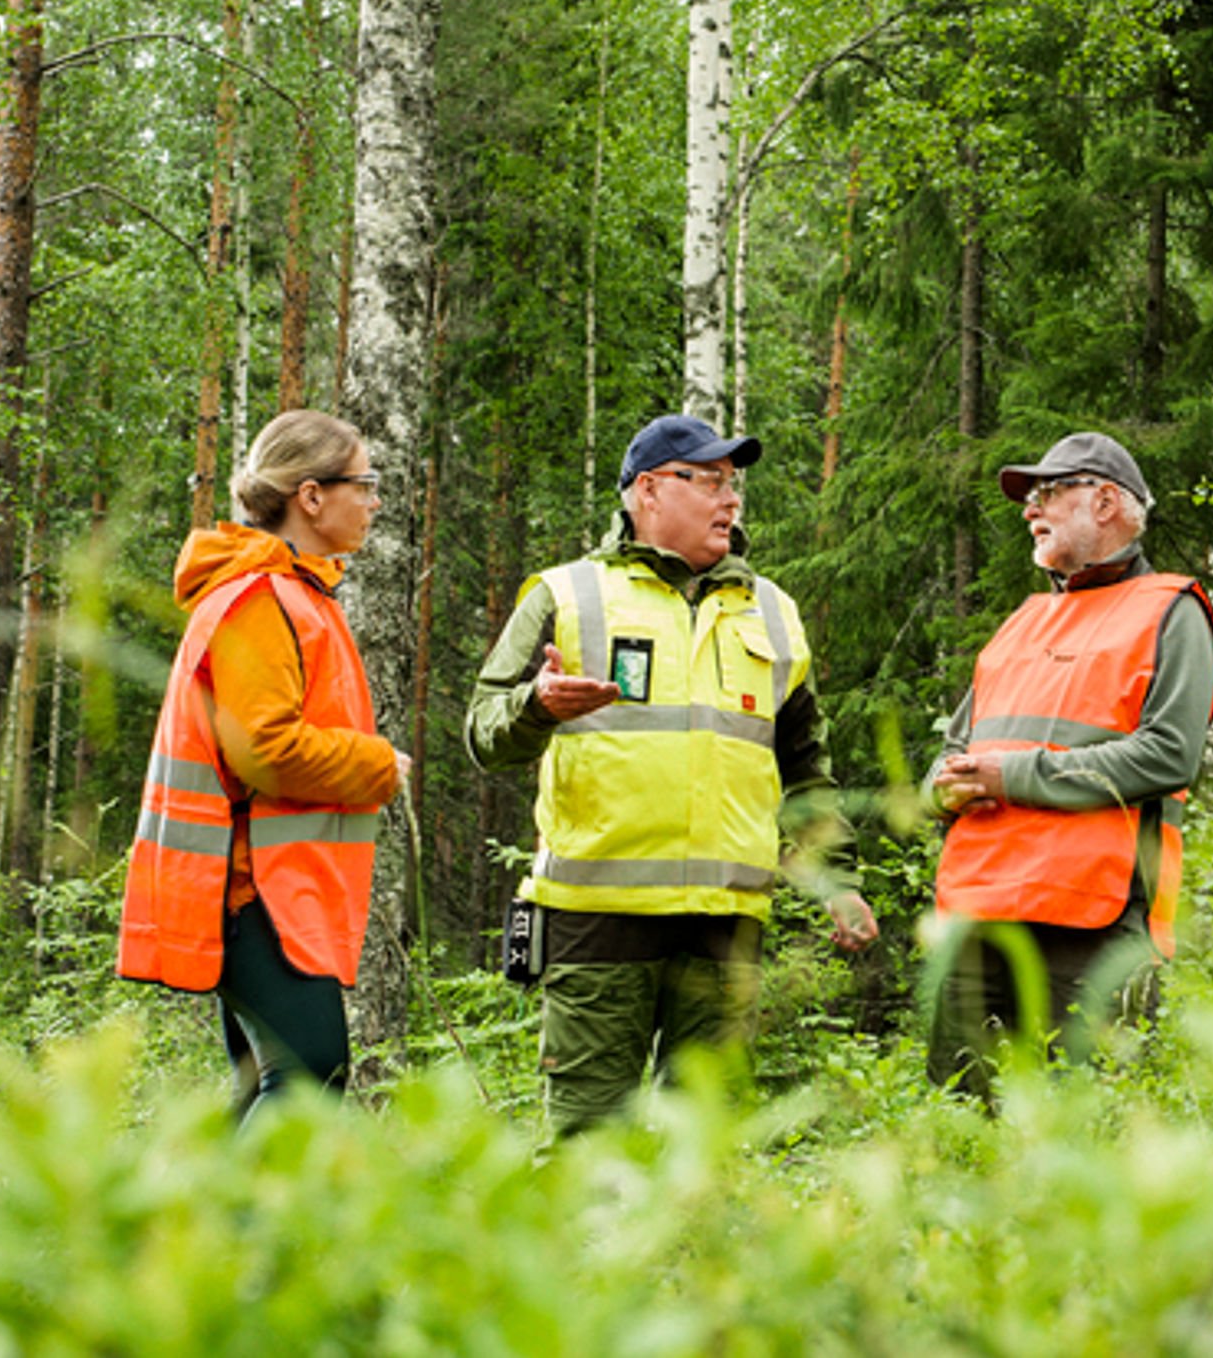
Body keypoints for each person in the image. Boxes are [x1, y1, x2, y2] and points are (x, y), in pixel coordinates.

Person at [466, 413, 877, 1137]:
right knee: (591, 1147)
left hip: (726, 926)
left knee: (707, 1148)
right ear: (648, 491)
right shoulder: (565, 596)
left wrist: (835, 881)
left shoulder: (774, 612)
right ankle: (590, 1256)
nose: (730, 500)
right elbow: (483, 733)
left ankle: (692, 1257)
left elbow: (806, 767)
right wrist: (536, 706)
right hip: (598, 925)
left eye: (734, 483)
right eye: (709, 481)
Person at [118, 409, 407, 1118]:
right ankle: (223, 1230)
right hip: (251, 891)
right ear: (311, 496)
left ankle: (188, 1230)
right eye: (363, 483)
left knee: (269, 1084)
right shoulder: (260, 600)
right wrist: (378, 765)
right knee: (308, 1078)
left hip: (263, 886)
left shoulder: (294, 594)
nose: (373, 500)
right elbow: (266, 750)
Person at [924, 431, 1213, 1097]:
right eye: (1029, 497)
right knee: (957, 1119)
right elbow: (952, 751)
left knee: (1074, 1128)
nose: (1031, 509)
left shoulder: (1172, 610)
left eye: (1050, 492)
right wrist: (944, 789)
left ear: (1107, 502)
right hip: (979, 908)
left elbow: (1171, 754)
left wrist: (1012, 777)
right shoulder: (1021, 623)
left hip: (1092, 916)